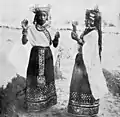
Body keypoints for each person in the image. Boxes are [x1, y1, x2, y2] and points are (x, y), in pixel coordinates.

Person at [67, 6, 108, 117]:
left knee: (86, 84)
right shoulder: (87, 31)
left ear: (94, 21)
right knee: (78, 84)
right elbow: (82, 42)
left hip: (87, 63)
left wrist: (77, 39)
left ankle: (88, 109)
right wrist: (74, 29)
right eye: (87, 19)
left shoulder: (94, 32)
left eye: (90, 20)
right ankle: (77, 107)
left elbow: (88, 47)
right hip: (81, 60)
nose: (87, 21)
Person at [21, 4, 60, 112]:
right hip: (35, 56)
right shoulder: (31, 28)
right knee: (34, 78)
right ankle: (33, 102)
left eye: (44, 15)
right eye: (40, 15)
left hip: (47, 56)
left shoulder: (51, 29)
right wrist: (24, 31)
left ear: (47, 17)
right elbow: (24, 42)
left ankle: (47, 102)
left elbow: (55, 45)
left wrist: (56, 38)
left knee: (47, 77)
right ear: (36, 17)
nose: (42, 18)